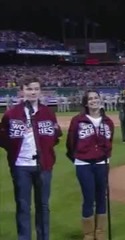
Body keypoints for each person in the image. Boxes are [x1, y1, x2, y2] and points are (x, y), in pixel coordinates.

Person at [0, 76, 62, 240]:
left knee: (43, 205)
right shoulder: (11, 114)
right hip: (21, 166)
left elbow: (55, 136)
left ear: (40, 91)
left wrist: (45, 149)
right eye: (29, 89)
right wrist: (16, 149)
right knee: (23, 205)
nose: (33, 92)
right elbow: (3, 137)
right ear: (22, 91)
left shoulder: (47, 112)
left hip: (43, 165)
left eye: (35, 89)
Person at [66, 90, 115, 240]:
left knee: (102, 197)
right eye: (90, 99)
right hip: (83, 163)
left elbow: (110, 141)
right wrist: (78, 157)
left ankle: (100, 232)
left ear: (100, 101)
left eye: (96, 98)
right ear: (86, 103)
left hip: (102, 162)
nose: (94, 101)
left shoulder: (108, 122)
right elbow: (71, 142)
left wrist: (106, 155)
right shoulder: (78, 120)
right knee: (88, 198)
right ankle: (88, 234)